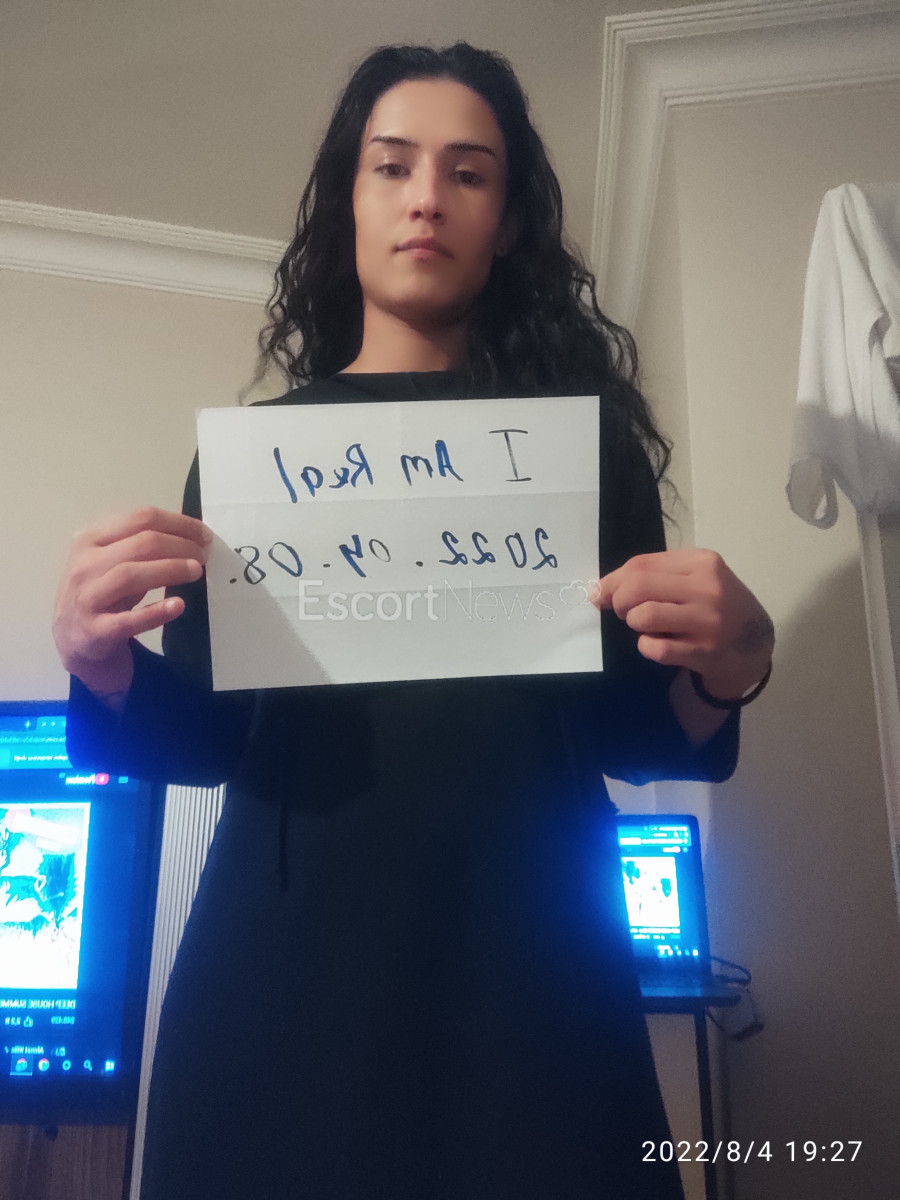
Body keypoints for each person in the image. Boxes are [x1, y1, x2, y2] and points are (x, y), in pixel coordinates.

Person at [52, 43, 774, 1200]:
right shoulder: (253, 460)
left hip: (538, 964)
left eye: (468, 173)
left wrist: (735, 663)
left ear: (509, 223)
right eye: (391, 166)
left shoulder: (584, 452)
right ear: (350, 200)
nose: (427, 197)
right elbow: (210, 742)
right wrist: (100, 663)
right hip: (281, 974)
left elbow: (636, 736)